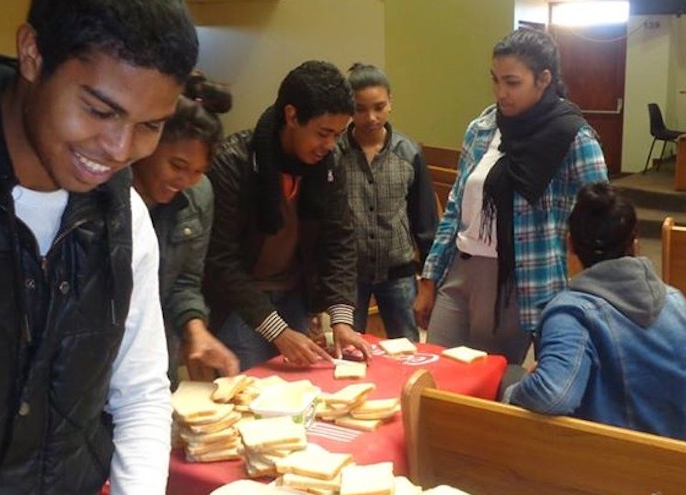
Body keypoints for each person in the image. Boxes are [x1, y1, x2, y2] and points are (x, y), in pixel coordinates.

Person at [0, 0, 197, 493]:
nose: (119, 148)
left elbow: (139, 394)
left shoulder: (124, 216)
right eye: (99, 110)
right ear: (32, 54)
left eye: (150, 125)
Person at [415, 28, 609, 364]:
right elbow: (454, 210)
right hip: (460, 271)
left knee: (488, 385)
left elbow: (601, 219)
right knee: (438, 372)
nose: (501, 92)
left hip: (518, 281)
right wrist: (429, 279)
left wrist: (589, 295)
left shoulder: (572, 136)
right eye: (495, 80)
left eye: (512, 82)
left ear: (543, 79)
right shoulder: (483, 127)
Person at [204, 61, 372, 370]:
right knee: (253, 397)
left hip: (295, 294)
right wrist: (278, 332)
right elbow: (221, 261)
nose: (330, 145)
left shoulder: (329, 164)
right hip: (240, 304)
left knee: (303, 391)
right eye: (323, 133)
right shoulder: (233, 161)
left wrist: (342, 319)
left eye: (337, 134)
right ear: (292, 116)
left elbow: (340, 240)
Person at [503, 182, 686, 441]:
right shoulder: (676, 302)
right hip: (678, 460)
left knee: (507, 380)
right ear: (635, 245)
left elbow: (554, 395)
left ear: (569, 245)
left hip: (609, 466)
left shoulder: (572, 313)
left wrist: (512, 393)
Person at [131, 72, 240, 386]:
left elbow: (185, 282)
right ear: (149, 144)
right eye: (177, 166)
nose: (185, 181)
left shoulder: (198, 194)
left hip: (156, 358)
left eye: (198, 171)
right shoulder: (107, 193)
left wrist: (195, 330)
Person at [336, 63, 439, 342]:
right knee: (347, 351)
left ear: (390, 102)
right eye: (360, 109)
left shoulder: (409, 152)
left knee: (405, 349)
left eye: (379, 107)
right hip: (348, 274)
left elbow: (425, 222)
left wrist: (429, 283)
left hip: (399, 271)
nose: (371, 117)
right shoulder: (334, 154)